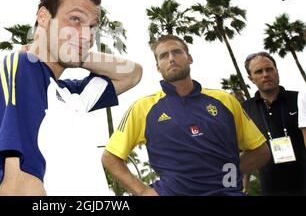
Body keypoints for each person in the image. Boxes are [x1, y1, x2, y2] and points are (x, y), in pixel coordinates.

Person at [0, 0, 143, 196]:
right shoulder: (23, 67)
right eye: (75, 19)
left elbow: (132, 73)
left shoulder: (72, 94)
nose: (87, 35)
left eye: (92, 27)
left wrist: (78, 53)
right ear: (44, 17)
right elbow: (19, 185)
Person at [102, 34, 269, 196]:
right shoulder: (143, 108)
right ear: (158, 67)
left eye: (177, 52)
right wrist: (143, 191)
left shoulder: (225, 100)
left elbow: (260, 150)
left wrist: (227, 174)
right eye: (163, 56)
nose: (171, 58)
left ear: (189, 58)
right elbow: (110, 157)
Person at [243, 51, 306, 195]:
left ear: (277, 71)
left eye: (269, 69)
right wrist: (242, 186)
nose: (265, 74)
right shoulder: (245, 109)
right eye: (259, 71)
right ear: (251, 78)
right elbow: (245, 150)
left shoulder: (299, 99)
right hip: (271, 188)